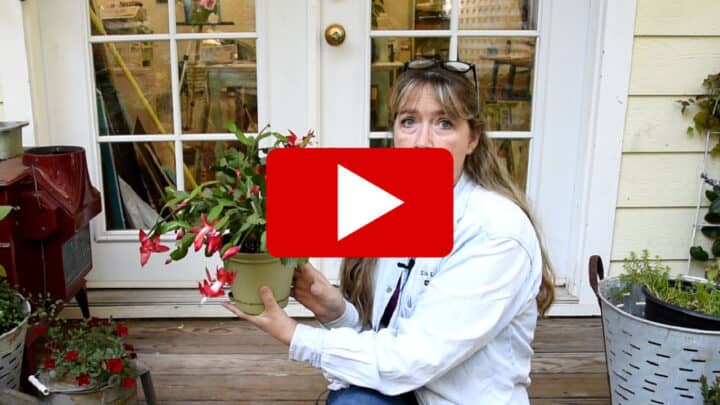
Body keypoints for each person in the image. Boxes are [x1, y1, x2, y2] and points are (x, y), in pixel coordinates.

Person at [223, 59, 555, 405]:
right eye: (409, 121)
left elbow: (409, 360)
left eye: (444, 123)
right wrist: (334, 311)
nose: (422, 142)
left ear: (472, 138)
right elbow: (390, 339)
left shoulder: (496, 231)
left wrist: (295, 336)